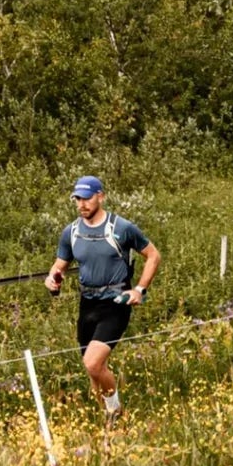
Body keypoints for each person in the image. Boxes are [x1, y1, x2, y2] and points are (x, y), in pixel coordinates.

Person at [46, 175, 159, 418]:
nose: (81, 204)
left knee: (92, 363)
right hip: (87, 304)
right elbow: (60, 265)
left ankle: (116, 412)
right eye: (77, 199)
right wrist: (52, 279)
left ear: (101, 196)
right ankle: (107, 426)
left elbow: (153, 256)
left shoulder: (122, 228)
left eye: (86, 199)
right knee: (94, 371)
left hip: (116, 302)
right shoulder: (71, 232)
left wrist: (139, 289)